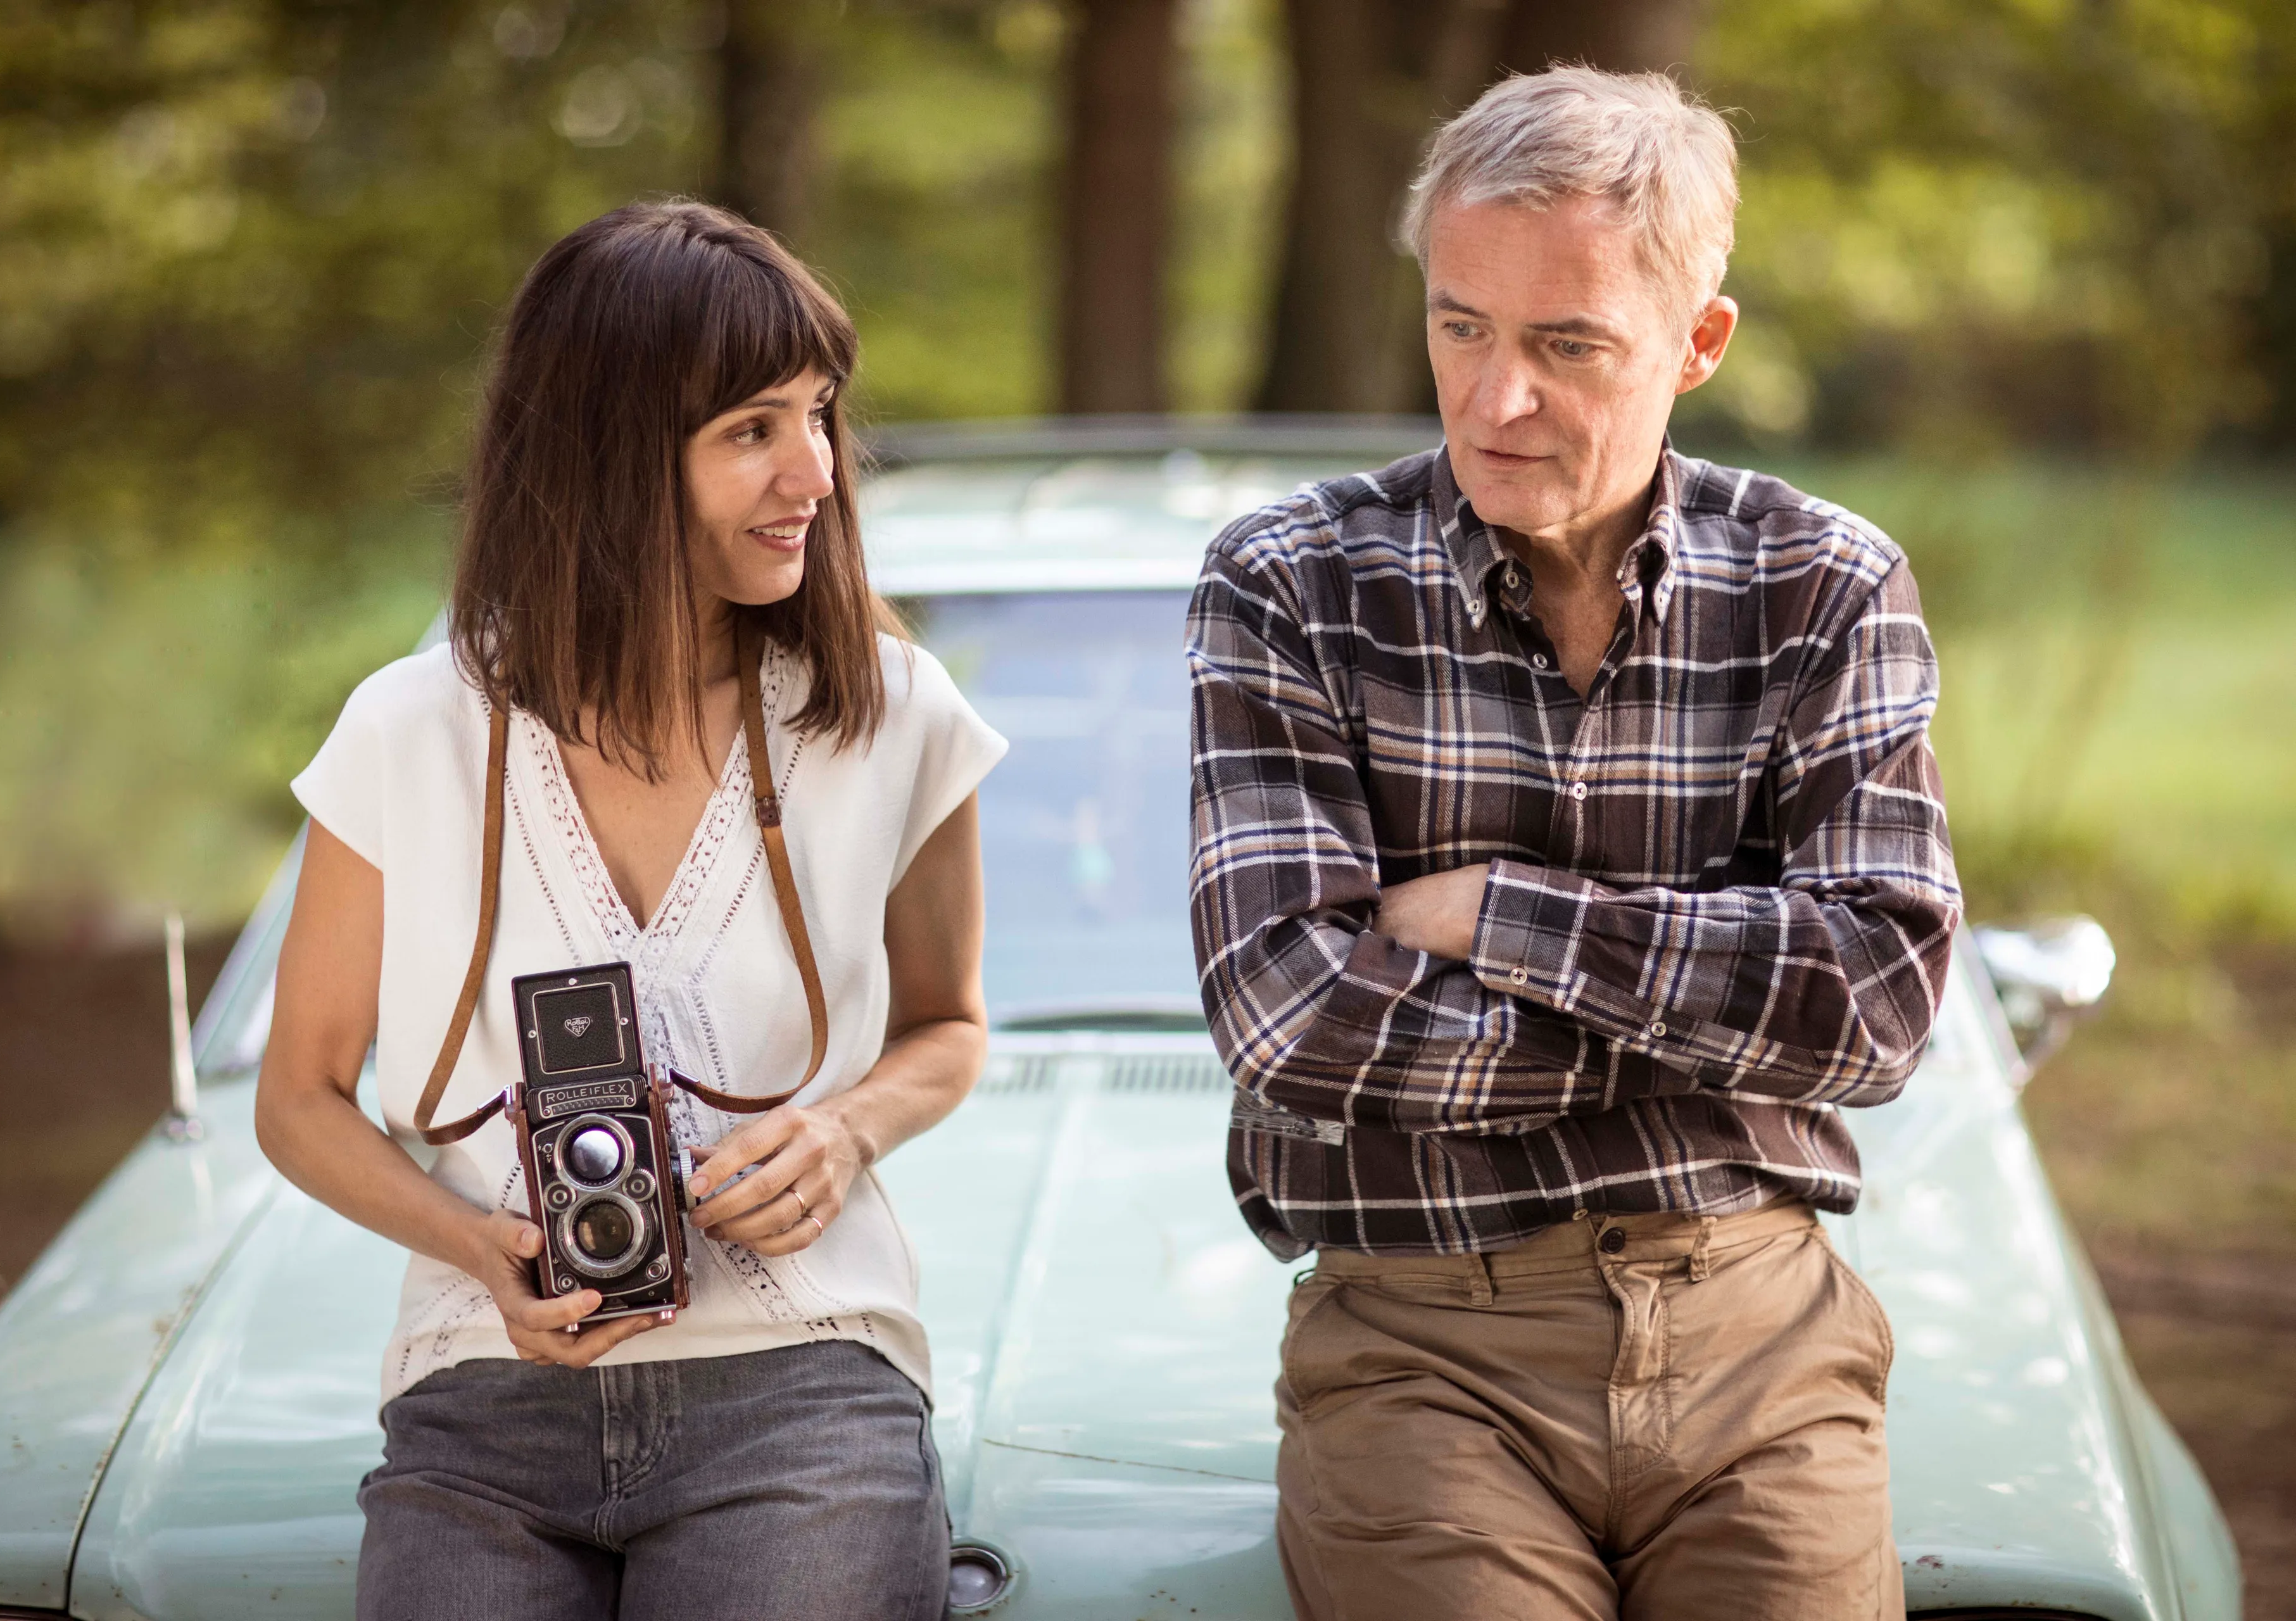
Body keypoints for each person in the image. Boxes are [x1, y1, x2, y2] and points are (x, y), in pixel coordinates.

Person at [1187, 66, 1960, 1621]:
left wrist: (1493, 914)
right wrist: (1718, 1020)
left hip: (1761, 1328)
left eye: (1566, 345)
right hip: (1418, 1341)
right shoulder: (1291, 584)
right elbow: (1285, 1012)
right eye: (1459, 324)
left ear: (1698, 343)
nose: (1494, 398)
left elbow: (1876, 1004)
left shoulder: (1822, 584)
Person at [256, 200, 1006, 1621]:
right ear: (606, 460)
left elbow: (948, 1024)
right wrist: (480, 1241)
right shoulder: (409, 730)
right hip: (482, 1394)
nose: (818, 472)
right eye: (752, 430)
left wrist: (846, 1127)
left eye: (821, 415)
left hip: (805, 1383)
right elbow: (298, 1093)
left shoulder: (893, 715)